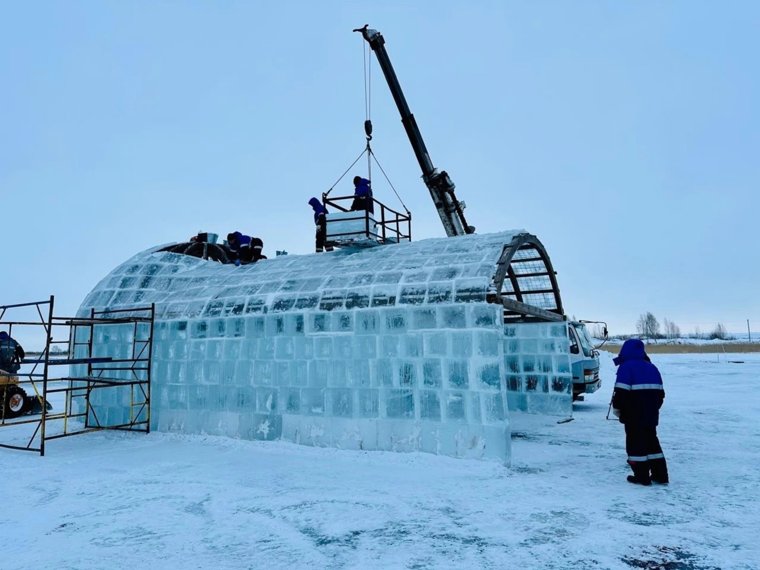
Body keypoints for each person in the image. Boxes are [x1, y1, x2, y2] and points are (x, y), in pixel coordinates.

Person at [611, 338, 669, 486]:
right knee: (652, 443)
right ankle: (660, 475)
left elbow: (621, 393)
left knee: (635, 444)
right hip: (651, 414)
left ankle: (642, 477)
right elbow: (661, 395)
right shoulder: (652, 367)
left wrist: (618, 410)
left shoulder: (626, 368)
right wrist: (653, 408)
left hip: (633, 415)